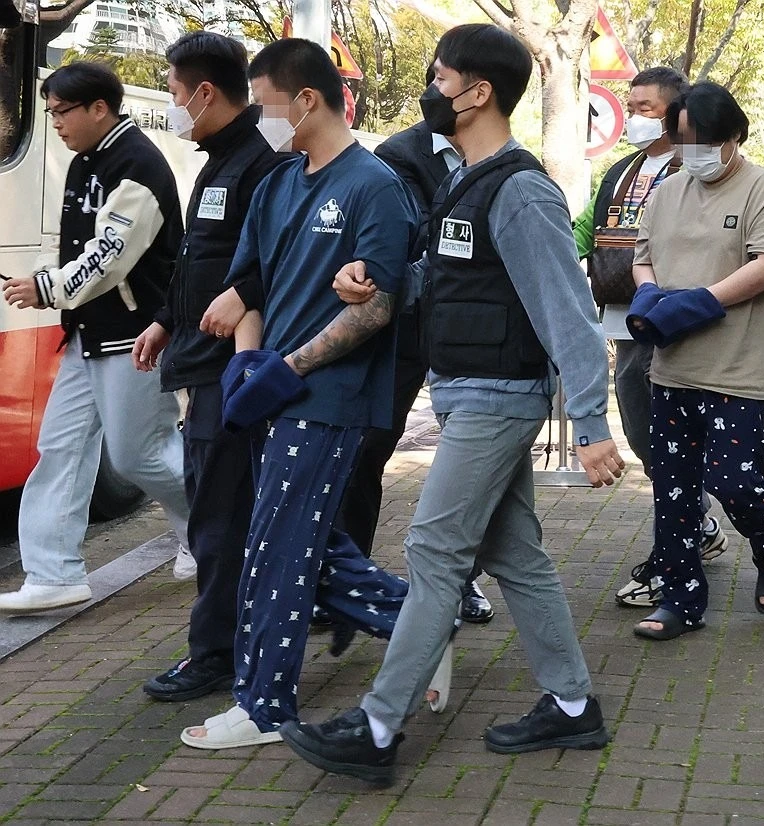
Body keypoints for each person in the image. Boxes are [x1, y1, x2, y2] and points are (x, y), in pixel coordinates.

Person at [277, 23, 624, 787]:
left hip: (498, 400)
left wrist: (594, 427)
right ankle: (572, 707)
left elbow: (568, 312)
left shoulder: (522, 189)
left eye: (439, 79)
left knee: (435, 552)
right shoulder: (468, 178)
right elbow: (456, 282)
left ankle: (375, 726)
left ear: (478, 92)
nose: (431, 92)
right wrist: (377, 284)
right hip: (469, 393)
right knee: (514, 554)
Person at [177, 37, 420, 749]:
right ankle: (418, 626)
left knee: (277, 550)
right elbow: (250, 282)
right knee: (303, 544)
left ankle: (264, 705)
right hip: (272, 395)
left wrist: (293, 369)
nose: (262, 118)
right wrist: (248, 364)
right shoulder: (279, 182)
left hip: (330, 399)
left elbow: (376, 304)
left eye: (268, 105)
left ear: (307, 100)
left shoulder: (374, 186)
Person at [0, 62, 192, 615]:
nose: (54, 123)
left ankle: (216, 532)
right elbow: (75, 246)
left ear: (98, 109)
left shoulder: (136, 165)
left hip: (137, 338)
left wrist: (47, 289)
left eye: (61, 111)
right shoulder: (89, 161)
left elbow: (108, 258)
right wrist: (46, 277)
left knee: (141, 456)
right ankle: (53, 573)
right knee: (59, 449)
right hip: (89, 335)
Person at [130, 32, 288, 701]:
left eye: (171, 92)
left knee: (219, 519)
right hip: (203, 360)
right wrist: (167, 320)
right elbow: (201, 259)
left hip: (235, 372)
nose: (170, 107)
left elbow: (269, 266)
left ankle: (215, 654)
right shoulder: (218, 161)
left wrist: (238, 310)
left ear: (203, 92)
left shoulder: (263, 162)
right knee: (220, 514)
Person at [626, 82, 764, 640]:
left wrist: (700, 301)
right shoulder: (667, 191)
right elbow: (643, 258)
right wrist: (651, 297)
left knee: (735, 481)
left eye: (704, 141)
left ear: (734, 137)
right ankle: (680, 598)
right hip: (672, 366)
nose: (692, 152)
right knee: (673, 489)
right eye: (683, 142)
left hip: (736, 369)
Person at [573, 66, 729, 610]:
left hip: (681, 322)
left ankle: (676, 550)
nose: (634, 116)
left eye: (645, 108)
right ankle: (696, 524)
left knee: (671, 443)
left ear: (677, 111)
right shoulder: (622, 171)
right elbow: (586, 228)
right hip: (626, 317)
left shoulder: (700, 171)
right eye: (630, 105)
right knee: (646, 435)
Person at [345, 65, 495, 625]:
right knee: (367, 451)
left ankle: (460, 581)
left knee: (477, 466)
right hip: (404, 329)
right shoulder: (401, 154)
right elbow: (400, 239)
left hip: (476, 333)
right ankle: (348, 578)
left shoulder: (501, 157)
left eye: (446, 78)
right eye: (432, 77)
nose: (436, 89)